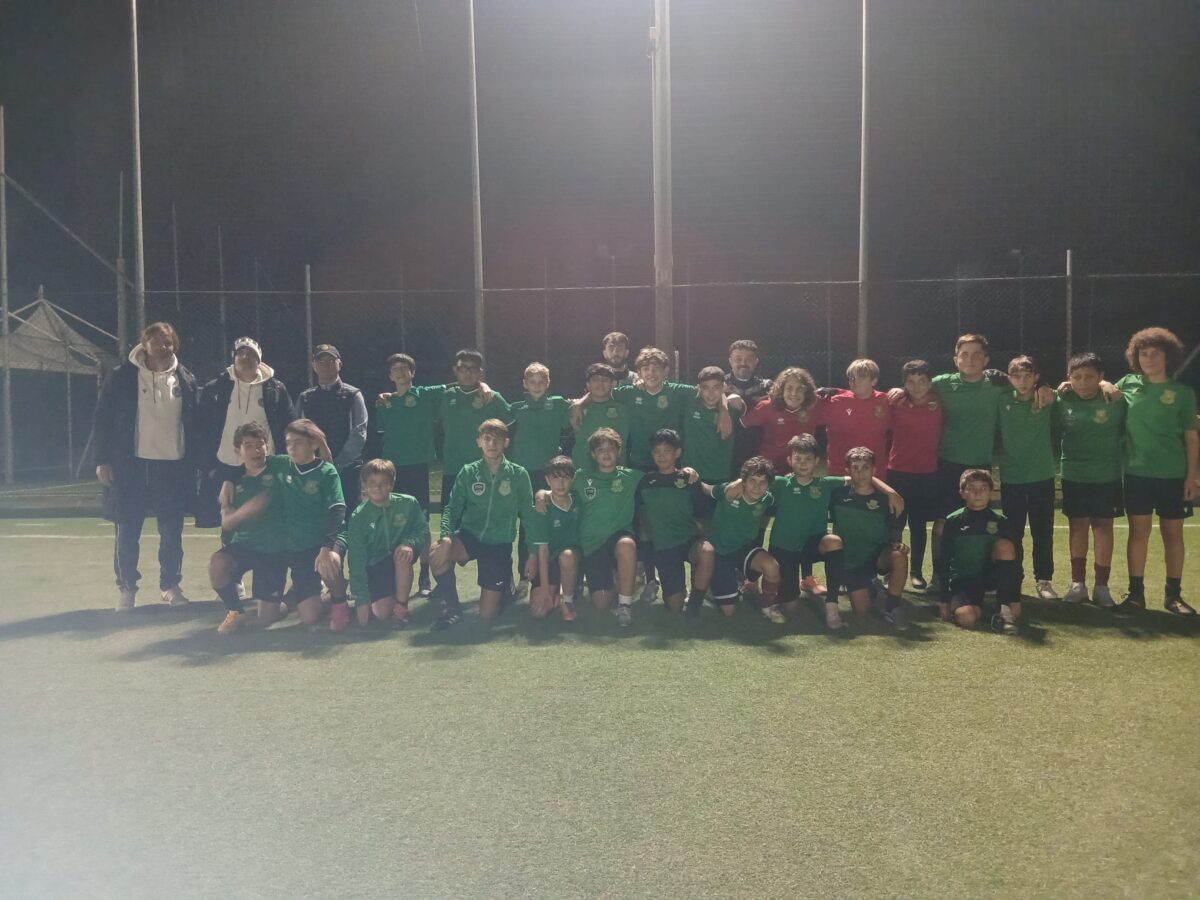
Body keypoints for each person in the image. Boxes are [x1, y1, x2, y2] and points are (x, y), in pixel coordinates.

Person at [93, 322, 199, 611]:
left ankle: (170, 586)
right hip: (132, 466)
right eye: (157, 341)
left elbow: (194, 424)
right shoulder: (122, 377)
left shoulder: (185, 378)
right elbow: (102, 419)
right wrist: (103, 459)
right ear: (144, 343)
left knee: (172, 532)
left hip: (172, 467)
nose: (164, 346)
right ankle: (127, 587)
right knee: (128, 530)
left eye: (169, 342)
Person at [1112, 328, 1198, 616]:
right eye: (1143, 354)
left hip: (1173, 475)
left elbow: (1192, 438)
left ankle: (1173, 596)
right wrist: (1103, 383)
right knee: (1139, 533)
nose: (1148, 359)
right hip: (1136, 474)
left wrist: (1191, 477)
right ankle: (1136, 595)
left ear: (1168, 357)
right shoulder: (1128, 383)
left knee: (1173, 535)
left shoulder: (1182, 393)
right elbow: (1102, 388)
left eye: (1155, 354)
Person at [430, 419, 535, 630]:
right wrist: (446, 537)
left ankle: (504, 582)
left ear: (506, 442)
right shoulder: (468, 472)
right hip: (470, 535)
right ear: (479, 441)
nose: (492, 444)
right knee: (436, 552)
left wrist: (532, 553)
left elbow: (529, 516)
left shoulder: (518, 474)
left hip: (498, 543)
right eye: (487, 439)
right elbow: (452, 508)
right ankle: (452, 608)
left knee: (488, 615)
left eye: (498, 439)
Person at [195, 336, 294, 530]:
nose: (245, 357)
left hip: (263, 468)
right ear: (233, 358)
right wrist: (209, 467)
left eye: (251, 354)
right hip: (224, 466)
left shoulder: (275, 389)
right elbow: (201, 429)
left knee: (265, 523)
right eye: (240, 353)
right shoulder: (216, 388)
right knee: (226, 525)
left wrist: (282, 465)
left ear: (259, 360)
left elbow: (289, 427)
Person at [266, 419, 350, 631]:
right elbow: (250, 461)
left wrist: (326, 547)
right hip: (299, 546)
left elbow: (338, 510)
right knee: (309, 617)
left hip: (328, 538)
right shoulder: (282, 464)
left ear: (313, 444)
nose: (292, 448)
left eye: (298, 442)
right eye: (288, 443)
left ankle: (339, 601)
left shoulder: (327, 471)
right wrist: (228, 480)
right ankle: (314, 593)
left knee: (329, 561)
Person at [1056, 352, 1126, 607]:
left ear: (1100, 377)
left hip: (1107, 475)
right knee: (1078, 527)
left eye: (1089, 377)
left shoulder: (1115, 399)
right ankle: (1078, 584)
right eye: (1077, 377)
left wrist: (1109, 385)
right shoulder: (1062, 399)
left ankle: (1102, 587)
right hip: (1074, 474)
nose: (1083, 383)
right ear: (1069, 378)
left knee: (1103, 527)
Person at [763, 434, 849, 630]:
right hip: (784, 548)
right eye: (798, 458)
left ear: (817, 461)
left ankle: (832, 605)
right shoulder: (780, 483)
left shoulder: (825, 483)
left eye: (808, 459)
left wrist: (890, 492)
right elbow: (751, 479)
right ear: (789, 460)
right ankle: (786, 591)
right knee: (791, 607)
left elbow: (857, 479)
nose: (803, 463)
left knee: (833, 541)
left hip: (811, 546)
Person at [375, 352, 444, 596]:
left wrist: (484, 386)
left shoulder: (425, 394)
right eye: (395, 368)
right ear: (390, 375)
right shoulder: (385, 402)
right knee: (393, 520)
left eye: (405, 368)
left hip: (418, 466)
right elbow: (381, 430)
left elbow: (456, 387)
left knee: (421, 521)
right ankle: (393, 574)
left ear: (412, 372)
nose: (400, 372)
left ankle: (425, 577)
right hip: (393, 469)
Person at [561, 427, 642, 626]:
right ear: (593, 454)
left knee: (626, 544)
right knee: (601, 603)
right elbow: (559, 490)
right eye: (600, 450)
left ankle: (625, 605)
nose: (606, 453)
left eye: (611, 449)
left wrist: (687, 472)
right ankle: (627, 579)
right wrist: (542, 495)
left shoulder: (632, 476)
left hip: (618, 539)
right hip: (592, 544)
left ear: (619, 451)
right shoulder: (581, 477)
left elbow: (662, 478)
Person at [209, 422, 284, 635]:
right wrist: (244, 511)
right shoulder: (233, 480)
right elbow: (226, 521)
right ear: (237, 450)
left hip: (274, 550)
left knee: (265, 620)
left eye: (260, 444)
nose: (256, 450)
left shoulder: (280, 467)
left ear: (267, 446)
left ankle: (288, 601)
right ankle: (236, 611)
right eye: (248, 446)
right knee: (217, 564)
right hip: (245, 545)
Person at [997, 355, 1059, 600]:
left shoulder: (1048, 398)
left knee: (1042, 532)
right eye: (1016, 376)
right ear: (1009, 377)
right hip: (1011, 478)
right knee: (1013, 533)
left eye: (1027, 376)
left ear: (1036, 377)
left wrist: (1047, 387)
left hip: (1041, 477)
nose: (1022, 381)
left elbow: (1071, 389)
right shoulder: (1001, 399)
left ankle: (1043, 581)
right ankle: (1014, 578)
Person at [508, 362, 571, 598]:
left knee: (554, 522)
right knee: (527, 525)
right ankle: (525, 577)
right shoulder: (515, 408)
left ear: (548, 383)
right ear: (524, 384)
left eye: (541, 381)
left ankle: (559, 575)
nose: (536, 385)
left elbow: (578, 409)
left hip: (551, 475)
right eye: (532, 382)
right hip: (524, 476)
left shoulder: (558, 404)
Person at [634, 430, 713, 616]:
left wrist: (701, 536)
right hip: (665, 546)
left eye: (667, 450)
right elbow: (642, 520)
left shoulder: (689, 479)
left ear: (677, 452)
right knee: (674, 607)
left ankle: (694, 605)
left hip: (689, 540)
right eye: (657, 451)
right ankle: (679, 590)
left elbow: (703, 513)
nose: (661, 455)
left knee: (707, 552)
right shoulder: (645, 482)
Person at [830, 447, 909, 629]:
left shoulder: (886, 499)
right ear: (847, 471)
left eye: (866, 468)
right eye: (855, 468)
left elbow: (895, 528)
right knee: (862, 611)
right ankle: (871, 586)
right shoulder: (838, 495)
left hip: (878, 556)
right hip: (852, 561)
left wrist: (896, 543)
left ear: (874, 470)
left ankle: (892, 607)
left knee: (899, 556)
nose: (861, 473)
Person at [346, 458, 430, 628]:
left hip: (399, 557)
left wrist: (409, 543)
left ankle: (402, 607)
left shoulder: (408, 503)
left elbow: (423, 530)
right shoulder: (358, 517)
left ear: (391, 484)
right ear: (364, 485)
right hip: (375, 565)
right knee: (382, 613)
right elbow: (356, 559)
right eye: (372, 483)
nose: (378, 487)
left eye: (383, 483)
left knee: (402, 555)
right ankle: (339, 598)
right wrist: (361, 598)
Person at [939, 468, 1023, 634]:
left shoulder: (1001, 521)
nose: (978, 493)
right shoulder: (953, 521)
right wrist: (944, 598)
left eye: (983, 488)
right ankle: (986, 607)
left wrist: (1015, 598)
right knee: (967, 618)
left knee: (1005, 546)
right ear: (962, 493)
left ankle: (1004, 608)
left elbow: (1014, 563)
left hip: (991, 579)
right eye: (971, 488)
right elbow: (944, 559)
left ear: (991, 493)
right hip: (963, 581)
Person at [702, 456, 782, 621]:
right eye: (752, 480)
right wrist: (692, 476)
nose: (757, 486)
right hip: (721, 551)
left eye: (763, 482)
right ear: (744, 481)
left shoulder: (767, 499)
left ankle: (767, 607)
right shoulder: (729, 491)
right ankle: (711, 583)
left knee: (772, 566)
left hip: (744, 548)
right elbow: (706, 488)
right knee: (729, 611)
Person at [887, 360, 943, 591]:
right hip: (898, 472)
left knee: (918, 525)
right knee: (895, 525)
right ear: (904, 383)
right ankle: (891, 571)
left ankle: (916, 572)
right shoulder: (895, 401)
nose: (916, 386)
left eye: (922, 381)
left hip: (926, 474)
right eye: (910, 381)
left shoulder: (939, 401)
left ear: (930, 382)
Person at [296, 344, 368, 521]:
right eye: (321, 361)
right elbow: (299, 434)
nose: (326, 364)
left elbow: (359, 433)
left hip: (347, 470)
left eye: (331, 360)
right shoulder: (305, 398)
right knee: (318, 520)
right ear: (314, 366)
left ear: (339, 364)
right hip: (314, 471)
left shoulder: (353, 394)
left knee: (351, 519)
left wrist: (337, 464)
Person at [436, 349, 510, 509]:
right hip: (453, 468)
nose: (468, 372)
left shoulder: (492, 397)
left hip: (484, 469)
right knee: (451, 516)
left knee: (483, 517)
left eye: (473, 368)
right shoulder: (445, 396)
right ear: (455, 370)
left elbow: (512, 422)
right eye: (463, 368)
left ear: (480, 372)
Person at [524, 455, 582, 621]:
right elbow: (543, 551)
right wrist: (544, 591)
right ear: (547, 481)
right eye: (555, 478)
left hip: (572, 557)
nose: (561, 483)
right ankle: (557, 592)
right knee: (539, 611)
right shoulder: (543, 508)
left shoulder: (578, 499)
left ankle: (567, 600)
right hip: (549, 560)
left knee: (567, 556)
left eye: (565, 478)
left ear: (573, 479)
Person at [738, 366, 823, 473]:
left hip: (800, 468)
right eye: (789, 388)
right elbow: (741, 426)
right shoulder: (766, 407)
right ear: (781, 390)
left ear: (807, 392)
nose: (794, 393)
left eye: (800, 389)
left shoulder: (815, 406)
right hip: (770, 469)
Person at [818, 358, 892, 478]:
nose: (855, 381)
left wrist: (899, 391)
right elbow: (805, 409)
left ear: (874, 381)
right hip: (841, 474)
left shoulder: (886, 401)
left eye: (861, 377)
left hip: (874, 475)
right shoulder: (835, 401)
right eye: (851, 378)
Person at [682, 366, 742, 490]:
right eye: (706, 387)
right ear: (699, 388)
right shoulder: (689, 401)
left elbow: (741, 404)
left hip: (721, 475)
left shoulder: (733, 407)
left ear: (724, 387)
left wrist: (726, 406)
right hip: (691, 474)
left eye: (716, 387)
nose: (711, 393)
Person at [570, 364, 632, 471]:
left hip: (613, 471)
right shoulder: (575, 409)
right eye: (595, 380)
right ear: (588, 385)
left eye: (605, 380)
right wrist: (577, 404)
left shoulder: (623, 410)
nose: (600, 383)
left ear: (613, 384)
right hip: (583, 470)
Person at [725, 339, 772, 472]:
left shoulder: (767, 387)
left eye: (749, 359)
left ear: (756, 362)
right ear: (730, 361)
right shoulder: (719, 385)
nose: (743, 363)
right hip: (727, 451)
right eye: (738, 359)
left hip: (758, 452)